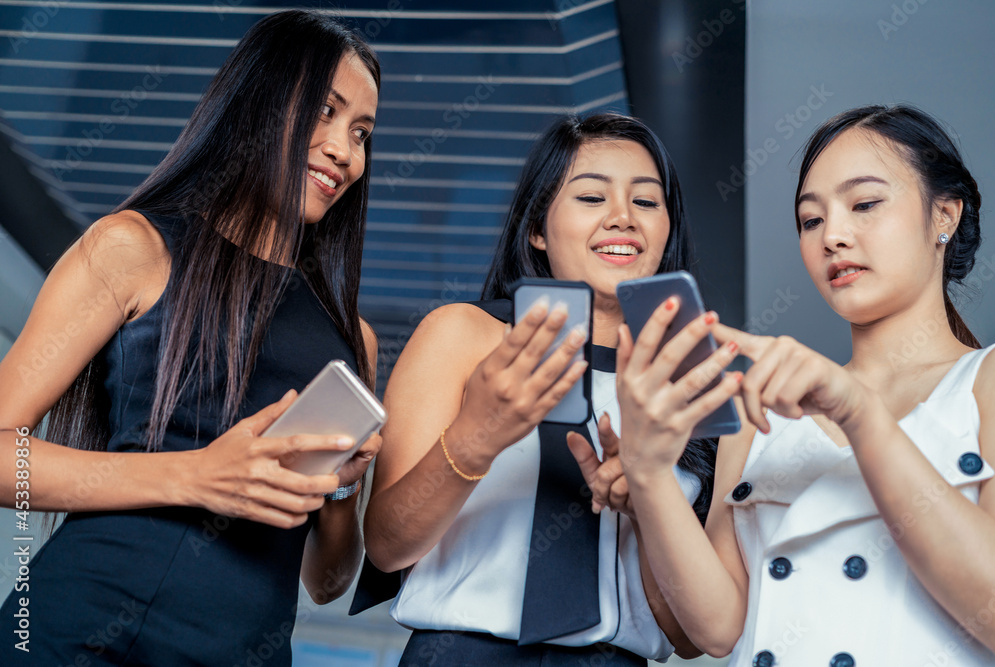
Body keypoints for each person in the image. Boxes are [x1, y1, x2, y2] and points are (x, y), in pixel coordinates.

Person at [0, 10, 381, 665]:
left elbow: (327, 577)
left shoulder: (354, 340)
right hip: (81, 631)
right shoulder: (133, 248)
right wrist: (196, 475)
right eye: (324, 110)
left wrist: (342, 489)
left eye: (362, 132)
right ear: (258, 102)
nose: (345, 151)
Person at [616, 104, 995, 665]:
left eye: (865, 204)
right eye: (811, 220)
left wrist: (859, 414)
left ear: (944, 215)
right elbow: (717, 630)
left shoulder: (987, 381)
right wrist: (647, 476)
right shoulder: (756, 410)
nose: (833, 236)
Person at [358, 112, 738, 665]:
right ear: (537, 227)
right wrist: (476, 438)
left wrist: (647, 506)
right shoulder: (464, 336)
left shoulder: (694, 379)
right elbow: (388, 546)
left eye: (647, 202)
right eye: (591, 198)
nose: (623, 218)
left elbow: (688, 636)